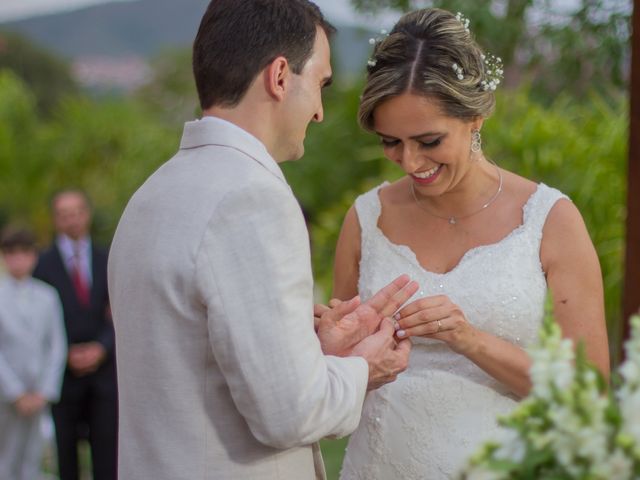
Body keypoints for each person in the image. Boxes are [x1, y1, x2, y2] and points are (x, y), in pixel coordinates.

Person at [107, 1, 418, 479]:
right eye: (320, 83)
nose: (318, 112)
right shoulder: (252, 200)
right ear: (279, 76)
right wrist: (362, 366)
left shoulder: (150, 195)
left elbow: (201, 362)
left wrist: (313, 351)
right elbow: (290, 413)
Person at [331, 8, 610, 479]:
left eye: (429, 140)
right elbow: (335, 374)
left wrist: (470, 340)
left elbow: (591, 393)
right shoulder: (366, 217)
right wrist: (334, 346)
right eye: (390, 142)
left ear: (475, 116)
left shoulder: (549, 219)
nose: (409, 161)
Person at [33, 190, 117, 480]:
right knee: (66, 455)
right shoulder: (42, 265)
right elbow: (39, 320)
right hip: (63, 375)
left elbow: (119, 311)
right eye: (64, 214)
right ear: (56, 219)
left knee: (108, 455)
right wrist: (65, 351)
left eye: (77, 212)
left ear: (87, 214)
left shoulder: (108, 258)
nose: (72, 220)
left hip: (104, 373)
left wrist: (102, 348)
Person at [0, 227, 67, 480]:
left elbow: (56, 345)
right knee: (6, 454)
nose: (18, 260)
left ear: (33, 257)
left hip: (38, 388)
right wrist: (14, 391)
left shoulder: (47, 296)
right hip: (7, 392)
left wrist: (45, 390)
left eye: (24, 253)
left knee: (34, 455)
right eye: (11, 254)